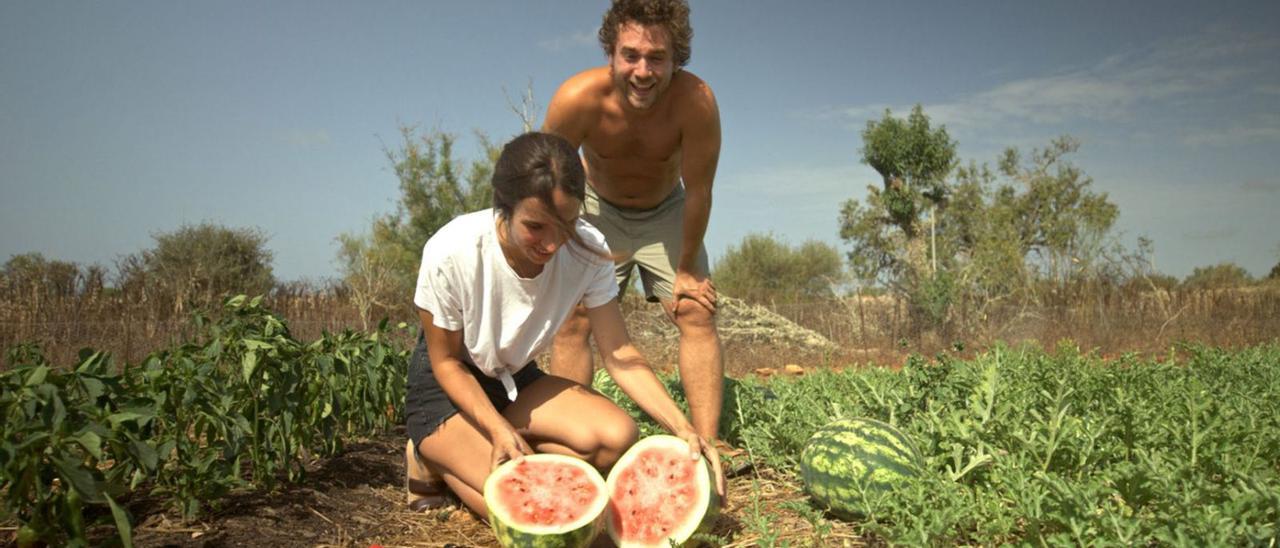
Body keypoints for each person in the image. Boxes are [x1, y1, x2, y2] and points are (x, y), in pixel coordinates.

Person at [403, 132, 724, 518]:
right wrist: (495, 429)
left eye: (566, 224)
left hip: (512, 380)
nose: (552, 245)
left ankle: (485, 448)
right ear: (502, 207)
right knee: (530, 511)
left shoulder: (588, 250)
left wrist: (682, 427)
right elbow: (446, 364)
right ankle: (429, 456)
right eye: (536, 226)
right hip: (446, 391)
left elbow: (619, 352)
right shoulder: (452, 250)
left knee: (615, 437)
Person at [543, 0, 733, 455]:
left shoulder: (697, 102)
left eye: (657, 58)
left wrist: (687, 267)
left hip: (665, 210)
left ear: (676, 59)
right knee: (574, 317)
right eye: (631, 55)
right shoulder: (577, 98)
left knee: (695, 309)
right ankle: (565, 440)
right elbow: (545, 175)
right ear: (611, 53)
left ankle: (707, 443)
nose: (643, 71)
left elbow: (700, 189)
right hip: (594, 208)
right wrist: (560, 235)